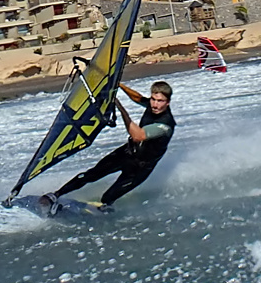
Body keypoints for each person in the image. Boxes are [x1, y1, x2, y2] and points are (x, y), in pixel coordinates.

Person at [39, 81, 176, 215]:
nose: (155, 104)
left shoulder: (166, 125)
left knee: (108, 197)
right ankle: (56, 195)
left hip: (140, 168)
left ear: (167, 103)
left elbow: (138, 135)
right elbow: (138, 98)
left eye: (160, 101)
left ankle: (104, 210)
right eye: (153, 99)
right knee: (91, 174)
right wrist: (119, 84)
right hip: (127, 153)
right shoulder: (151, 105)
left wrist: (120, 107)